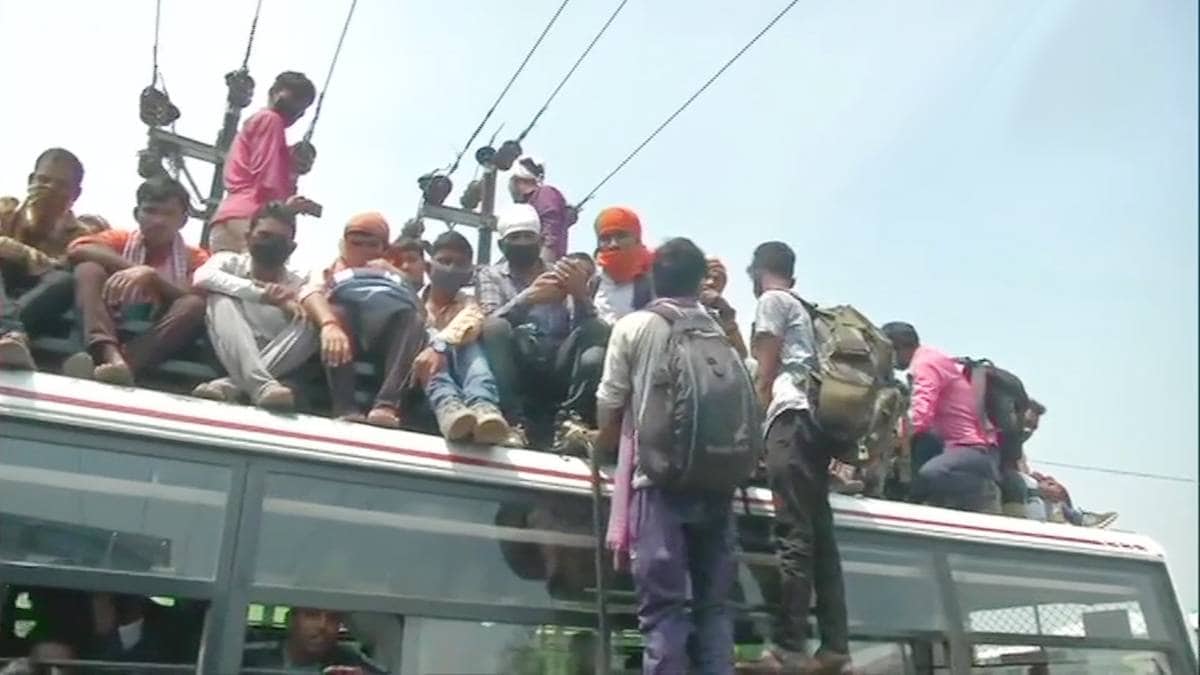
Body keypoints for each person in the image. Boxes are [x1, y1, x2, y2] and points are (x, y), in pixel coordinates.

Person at [595, 237, 738, 674]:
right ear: (700, 280)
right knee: (714, 608)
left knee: (662, 611)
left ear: (655, 277)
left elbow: (611, 399)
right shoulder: (719, 332)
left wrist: (599, 440)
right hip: (718, 482)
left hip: (657, 483)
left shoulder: (635, 326)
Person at [736, 242, 852, 674]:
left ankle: (788, 648)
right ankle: (835, 645)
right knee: (821, 534)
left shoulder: (772, 300)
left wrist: (754, 426)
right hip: (818, 427)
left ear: (757, 271)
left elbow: (765, 371)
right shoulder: (806, 306)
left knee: (794, 535)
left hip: (790, 420)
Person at [476, 204, 607, 445]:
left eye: (529, 236)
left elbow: (584, 327)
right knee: (494, 327)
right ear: (502, 245)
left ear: (540, 240)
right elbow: (490, 321)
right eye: (515, 237)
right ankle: (515, 420)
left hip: (558, 361)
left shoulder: (560, 272)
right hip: (517, 363)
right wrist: (527, 299)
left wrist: (580, 295)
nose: (523, 242)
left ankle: (571, 421)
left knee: (598, 329)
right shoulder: (490, 275)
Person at [63, 177, 209, 385]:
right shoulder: (120, 239)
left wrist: (151, 278)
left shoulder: (195, 257)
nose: (158, 221)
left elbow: (193, 296)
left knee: (194, 305)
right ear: (136, 214)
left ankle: (125, 364)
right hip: (114, 318)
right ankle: (106, 352)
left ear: (183, 220)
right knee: (88, 269)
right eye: (150, 211)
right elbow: (77, 249)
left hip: (158, 330)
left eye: (168, 213)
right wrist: (133, 270)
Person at [299, 213, 426, 427]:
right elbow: (309, 294)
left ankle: (387, 405)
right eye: (356, 243)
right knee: (337, 311)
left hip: (386, 342)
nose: (362, 251)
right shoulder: (328, 271)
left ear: (384, 249)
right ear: (344, 244)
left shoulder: (391, 274)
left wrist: (398, 276)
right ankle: (345, 406)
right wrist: (330, 325)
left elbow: (422, 315)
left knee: (411, 319)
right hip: (344, 338)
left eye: (372, 245)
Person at [191, 201, 317, 410]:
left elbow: (315, 297)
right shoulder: (228, 261)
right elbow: (203, 277)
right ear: (248, 237)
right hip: (228, 350)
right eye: (264, 236)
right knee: (219, 298)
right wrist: (262, 294)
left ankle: (232, 386)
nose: (270, 244)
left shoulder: (300, 279)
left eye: (279, 239)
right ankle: (262, 385)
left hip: (281, 353)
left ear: (291, 247)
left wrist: (291, 302)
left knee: (312, 320)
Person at [882, 321, 1001, 513]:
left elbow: (920, 415)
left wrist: (890, 438)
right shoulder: (932, 358)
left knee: (931, 474)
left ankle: (984, 489)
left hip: (971, 449)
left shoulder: (925, 364)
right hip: (948, 446)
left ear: (899, 346)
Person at [208, 71, 321, 253]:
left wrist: (291, 170)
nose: (296, 111)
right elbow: (268, 179)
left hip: (231, 218)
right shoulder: (271, 120)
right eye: (295, 99)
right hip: (251, 219)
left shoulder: (257, 123)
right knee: (266, 275)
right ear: (273, 92)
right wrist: (285, 210)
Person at [0, 149, 93, 369]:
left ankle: (10, 334)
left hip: (39, 300)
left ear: (75, 194)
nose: (49, 189)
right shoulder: (6, 210)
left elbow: (61, 265)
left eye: (61, 185)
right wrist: (23, 253)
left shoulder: (81, 234)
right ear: (31, 181)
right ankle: (10, 332)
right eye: (43, 180)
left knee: (65, 281)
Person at [415, 230, 511, 443]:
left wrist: (439, 347)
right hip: (420, 386)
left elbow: (470, 321)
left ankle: (484, 408)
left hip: (464, 379)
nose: (451, 268)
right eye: (444, 261)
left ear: (469, 274)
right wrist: (435, 346)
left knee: (468, 343)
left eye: (459, 264)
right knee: (425, 335)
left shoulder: (470, 304)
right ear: (429, 268)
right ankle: (448, 405)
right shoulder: (413, 302)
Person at [242, 607, 385, 674]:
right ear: (291, 619)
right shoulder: (251, 658)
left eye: (333, 618)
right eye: (312, 615)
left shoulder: (349, 661)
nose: (322, 625)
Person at [591, 206, 655, 326]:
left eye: (621, 236)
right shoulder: (592, 283)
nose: (613, 244)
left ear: (637, 239)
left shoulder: (655, 280)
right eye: (606, 238)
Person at [507, 156, 575, 264]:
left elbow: (550, 234)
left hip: (542, 266)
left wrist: (543, 267)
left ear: (517, 181)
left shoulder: (544, 194)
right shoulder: (529, 204)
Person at [700, 256, 748, 359]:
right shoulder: (680, 307)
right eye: (707, 277)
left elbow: (741, 356)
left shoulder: (720, 316)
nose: (710, 283)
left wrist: (727, 314)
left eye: (716, 279)